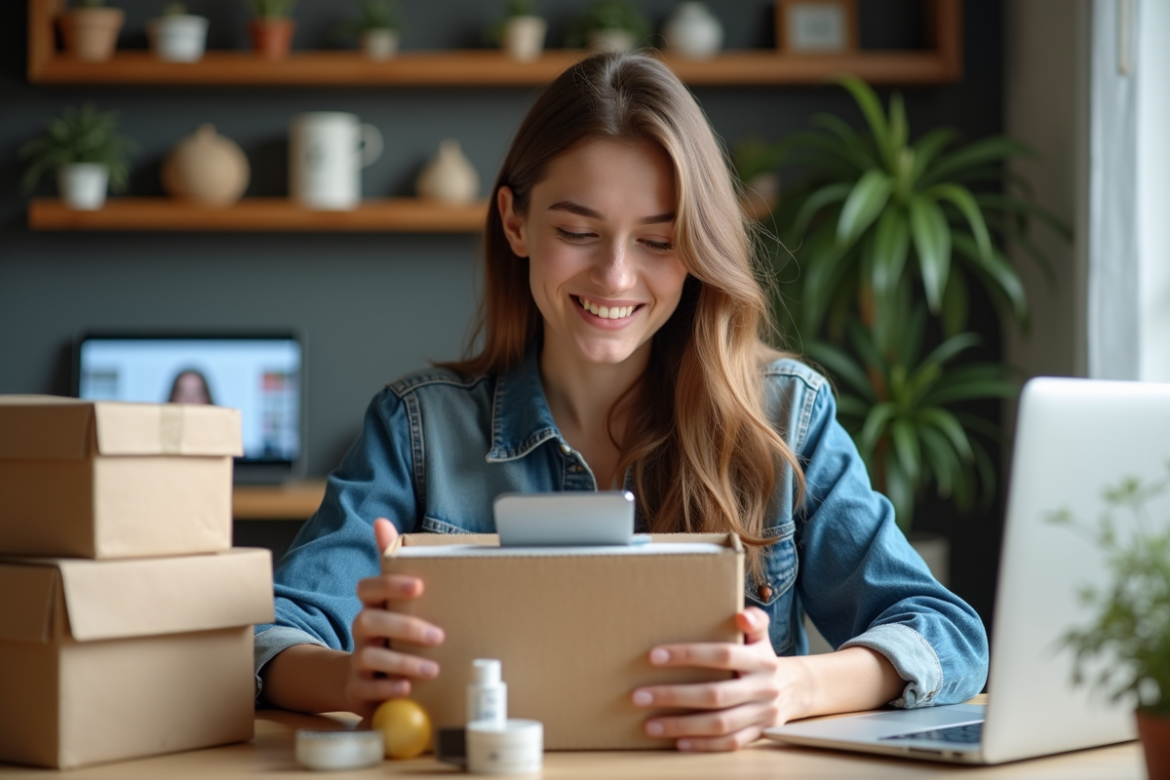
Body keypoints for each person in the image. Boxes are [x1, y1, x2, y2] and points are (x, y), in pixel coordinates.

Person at [255, 52, 988, 752]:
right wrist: (350, 678)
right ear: (515, 222)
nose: (615, 275)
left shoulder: (783, 418)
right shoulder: (418, 428)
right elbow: (272, 632)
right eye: (578, 232)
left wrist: (788, 687)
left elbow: (946, 634)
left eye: (659, 241)